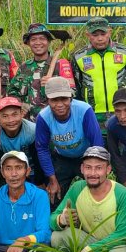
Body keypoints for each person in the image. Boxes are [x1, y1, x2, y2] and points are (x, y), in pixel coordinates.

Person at [49, 147, 126, 252]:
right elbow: (52, 219)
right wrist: (61, 219)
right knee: (56, 237)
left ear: (108, 170)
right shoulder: (77, 188)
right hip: (89, 238)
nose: (93, 173)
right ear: (82, 169)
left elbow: (122, 234)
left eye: (99, 168)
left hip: (115, 243)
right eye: (88, 167)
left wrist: (90, 250)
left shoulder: (122, 193)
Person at [35, 76, 104, 204]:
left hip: (86, 156)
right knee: (54, 196)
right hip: (62, 158)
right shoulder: (43, 117)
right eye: (54, 100)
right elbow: (42, 148)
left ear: (71, 98)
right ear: (47, 101)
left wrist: (95, 169)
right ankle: (57, 221)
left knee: (98, 190)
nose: (60, 104)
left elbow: (97, 144)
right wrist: (52, 179)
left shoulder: (84, 110)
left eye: (64, 99)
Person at [71, 17, 126, 128]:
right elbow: (77, 86)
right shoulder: (79, 57)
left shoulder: (124, 52)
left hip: (122, 113)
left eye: (103, 34)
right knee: (96, 145)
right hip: (92, 113)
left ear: (109, 32)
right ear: (88, 35)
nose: (100, 39)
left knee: (121, 144)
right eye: (95, 35)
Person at [7, 23, 75, 121]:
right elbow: (12, 92)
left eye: (42, 38)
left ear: (48, 42)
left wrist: (54, 84)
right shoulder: (24, 67)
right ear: (28, 43)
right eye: (33, 39)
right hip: (29, 124)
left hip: (54, 122)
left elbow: (73, 93)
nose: (38, 42)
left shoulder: (61, 65)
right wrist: (20, 105)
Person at [0, 96, 43, 188]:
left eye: (14, 114)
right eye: (5, 116)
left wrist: (40, 183)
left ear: (22, 113)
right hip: (8, 174)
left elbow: (38, 160)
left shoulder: (32, 131)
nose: (11, 120)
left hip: (31, 171)